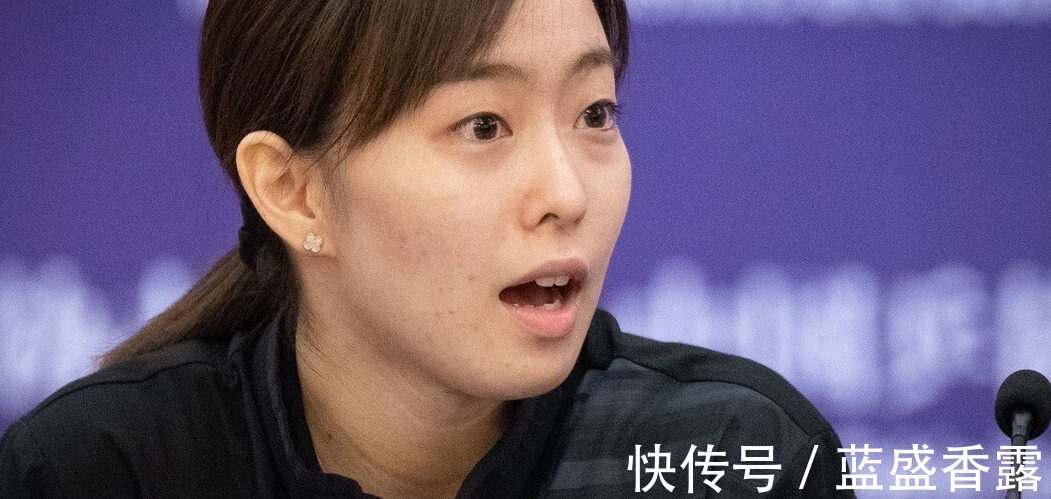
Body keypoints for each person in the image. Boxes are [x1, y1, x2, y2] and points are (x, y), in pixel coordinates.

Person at [0, 0, 855, 497]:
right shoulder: (105, 471)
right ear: (291, 190)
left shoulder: (728, 457)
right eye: (483, 125)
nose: (565, 194)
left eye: (594, 113)